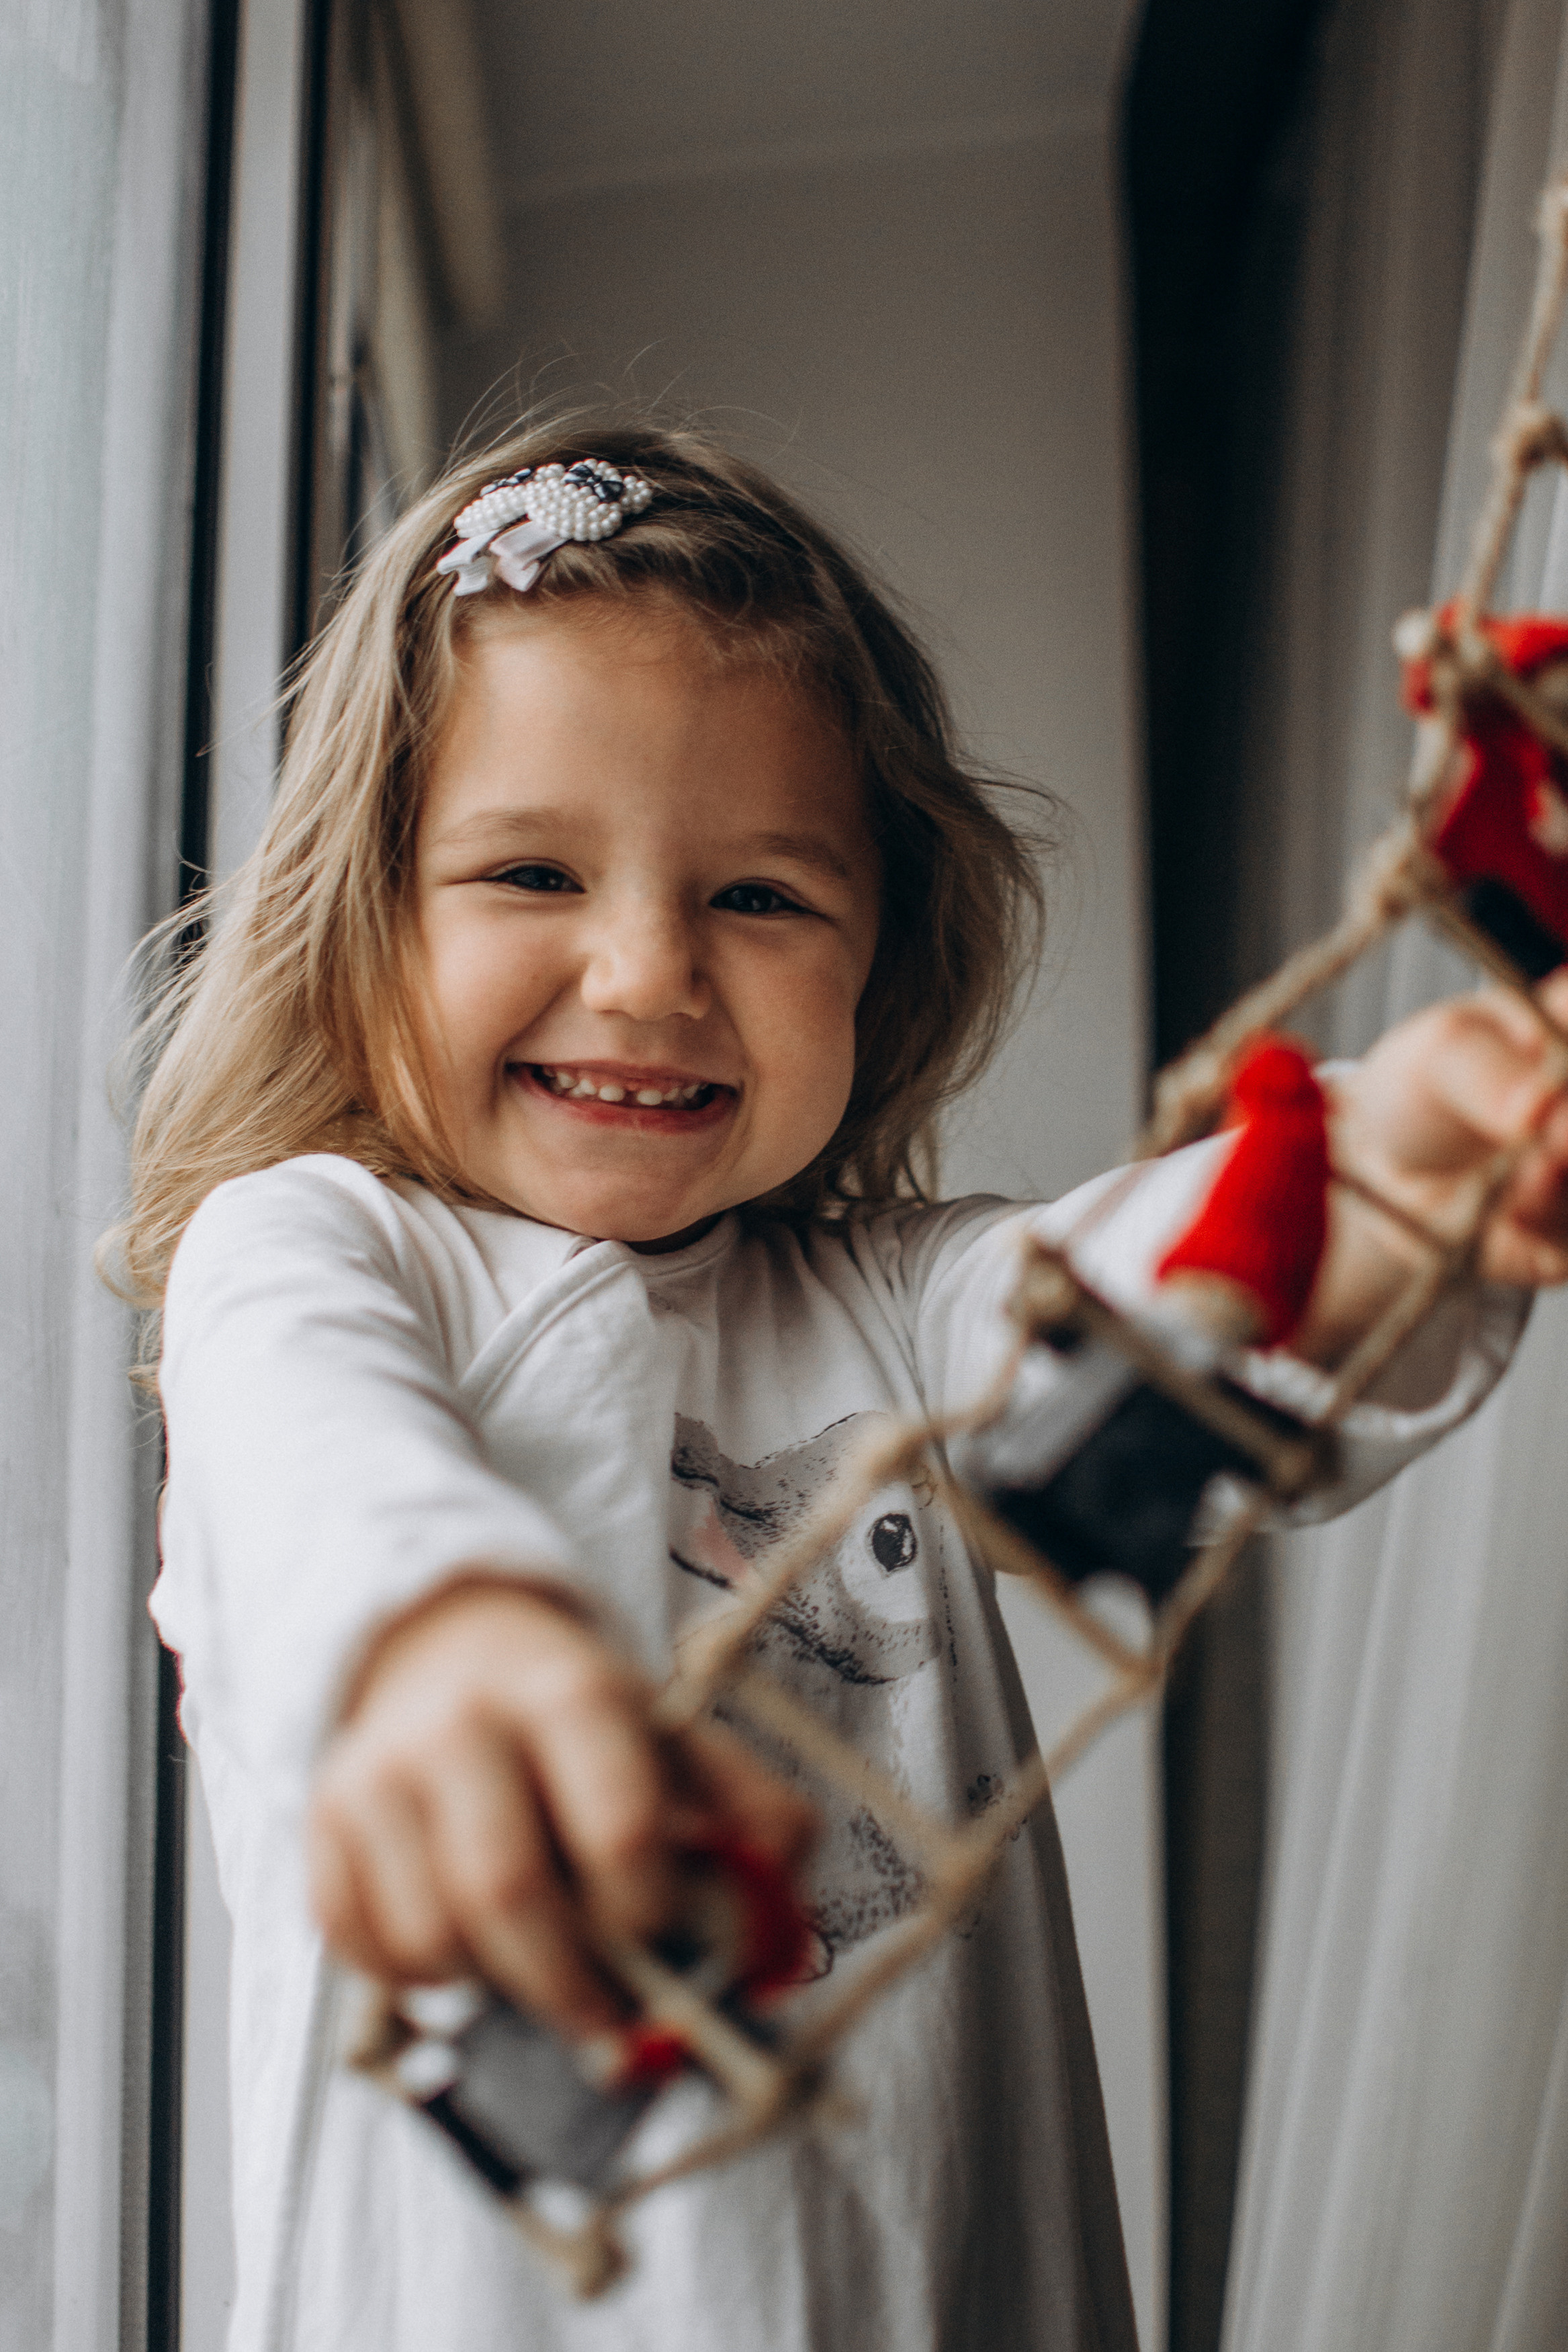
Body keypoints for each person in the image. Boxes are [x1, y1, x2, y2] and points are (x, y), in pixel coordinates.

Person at [120, 425, 1568, 2352]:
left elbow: (1164, 1289)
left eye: (762, 899)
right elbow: (317, 1460)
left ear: (882, 953)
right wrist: (444, 1644)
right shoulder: (320, 1245)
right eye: (532, 870)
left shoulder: (898, 1299)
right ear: (364, 908)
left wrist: (1403, 1161)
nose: (645, 973)